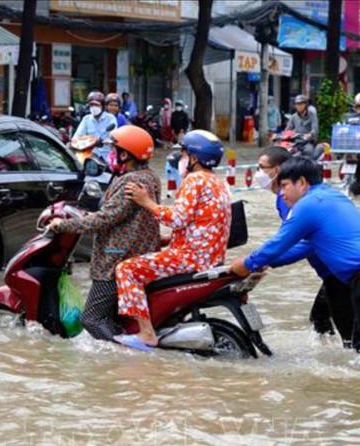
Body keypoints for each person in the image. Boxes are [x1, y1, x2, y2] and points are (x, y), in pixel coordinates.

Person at [230, 156, 360, 369]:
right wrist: (263, 262)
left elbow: (279, 243)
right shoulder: (330, 194)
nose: (282, 193)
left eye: (285, 185)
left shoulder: (307, 206)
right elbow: (306, 245)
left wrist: (248, 263)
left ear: (302, 183)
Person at [115, 130, 231, 350]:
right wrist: (167, 240)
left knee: (126, 269)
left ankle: (146, 333)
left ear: (194, 158)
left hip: (190, 259)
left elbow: (177, 219)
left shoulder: (194, 179)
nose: (181, 159)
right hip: (210, 258)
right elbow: (202, 224)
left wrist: (146, 201)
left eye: (184, 154)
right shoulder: (219, 183)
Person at [49, 126, 161, 341]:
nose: (112, 154)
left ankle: (123, 350)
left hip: (118, 257)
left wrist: (63, 225)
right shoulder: (150, 177)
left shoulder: (131, 182)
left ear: (125, 154)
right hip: (140, 251)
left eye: (115, 150)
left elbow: (105, 218)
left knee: (91, 318)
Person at [254, 146, 360, 348]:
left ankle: (349, 366)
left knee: (347, 333)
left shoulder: (291, 200)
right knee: (320, 318)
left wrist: (265, 261)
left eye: (262, 167)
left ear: (276, 170)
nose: (257, 173)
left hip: (337, 271)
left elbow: (304, 243)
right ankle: (333, 358)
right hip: (336, 270)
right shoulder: (292, 198)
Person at [72, 91, 117, 162]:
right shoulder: (86, 119)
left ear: (102, 106)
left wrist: (105, 141)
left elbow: (113, 136)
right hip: (90, 155)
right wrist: (74, 142)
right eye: (91, 105)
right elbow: (77, 136)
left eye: (96, 105)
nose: (94, 107)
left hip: (106, 156)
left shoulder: (110, 118)